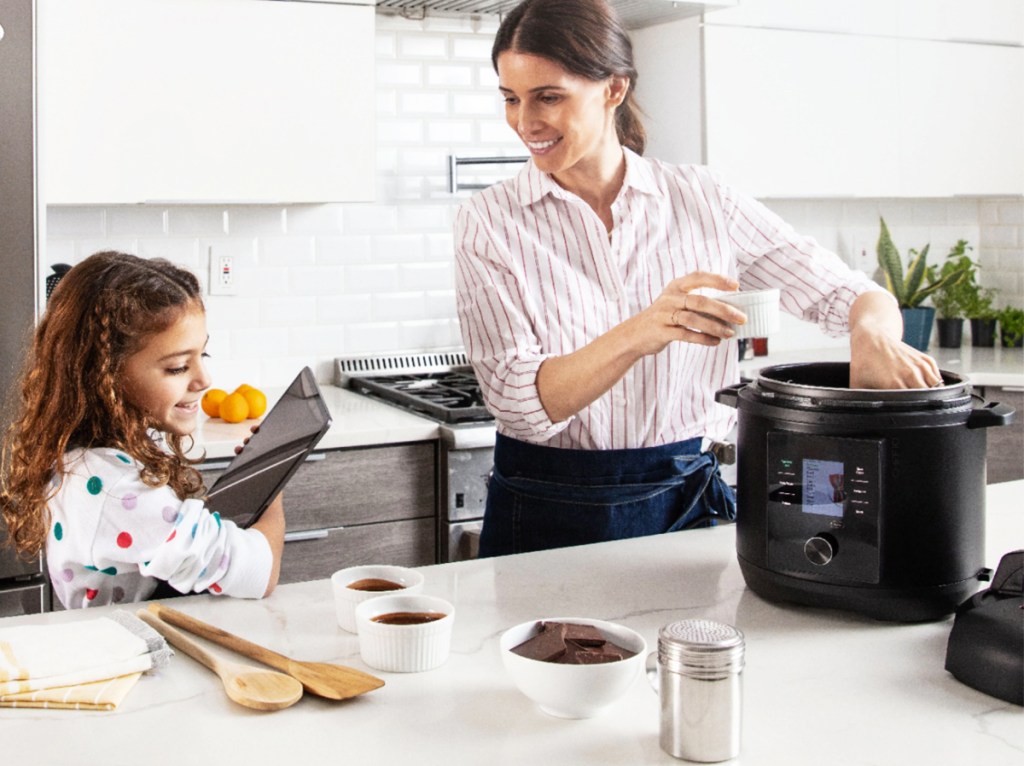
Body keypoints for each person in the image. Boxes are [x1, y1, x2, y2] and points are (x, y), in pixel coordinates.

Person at [453, 0, 942, 557]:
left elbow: (852, 293)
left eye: (549, 97)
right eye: (511, 99)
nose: (525, 122)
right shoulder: (489, 220)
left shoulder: (703, 198)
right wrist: (643, 330)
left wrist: (872, 336)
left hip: (687, 500)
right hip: (546, 508)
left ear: (613, 89)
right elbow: (517, 402)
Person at [0, 251, 284, 608]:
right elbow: (261, 572)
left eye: (203, 356)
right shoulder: (115, 488)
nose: (204, 379)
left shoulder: (97, 451)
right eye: (179, 367)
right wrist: (273, 487)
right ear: (105, 376)